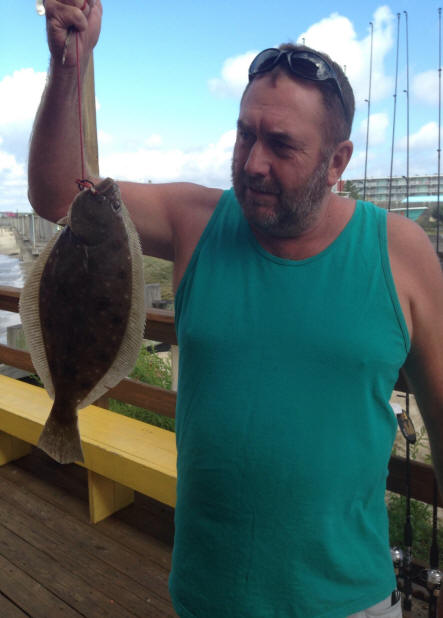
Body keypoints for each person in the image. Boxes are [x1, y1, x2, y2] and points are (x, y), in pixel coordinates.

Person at [30, 2, 443, 617]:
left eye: (281, 144)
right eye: (245, 134)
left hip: (352, 601)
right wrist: (70, 63)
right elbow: (60, 197)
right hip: (208, 596)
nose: (252, 163)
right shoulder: (195, 219)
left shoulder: (402, 253)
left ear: (337, 162)